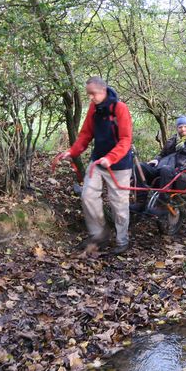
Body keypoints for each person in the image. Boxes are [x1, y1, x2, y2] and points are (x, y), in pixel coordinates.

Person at [58, 77, 132, 254]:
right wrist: (73, 151)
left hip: (119, 164)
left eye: (94, 94)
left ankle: (122, 240)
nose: (91, 98)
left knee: (119, 204)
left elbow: (126, 139)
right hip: (98, 161)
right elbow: (85, 134)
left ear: (104, 91)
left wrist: (111, 158)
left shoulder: (120, 109)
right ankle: (99, 235)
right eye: (89, 94)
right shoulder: (94, 108)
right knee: (88, 196)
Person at [134, 116, 186, 212]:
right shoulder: (172, 140)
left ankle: (162, 205)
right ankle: (141, 202)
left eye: (185, 126)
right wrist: (156, 160)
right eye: (180, 127)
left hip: (184, 176)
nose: (183, 129)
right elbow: (162, 155)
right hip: (167, 171)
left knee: (166, 169)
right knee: (140, 166)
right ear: (177, 128)